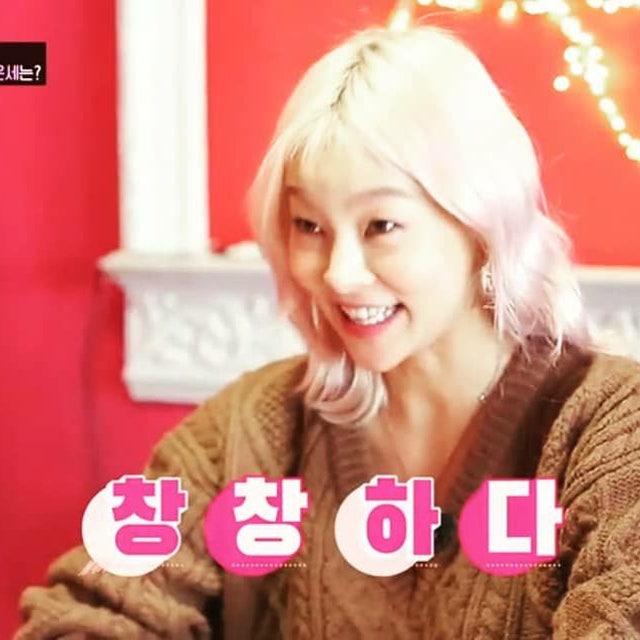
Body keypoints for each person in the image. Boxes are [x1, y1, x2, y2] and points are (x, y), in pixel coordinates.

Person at [17, 24, 640, 640]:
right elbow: (82, 616)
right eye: (308, 225)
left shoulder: (611, 432)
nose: (339, 274)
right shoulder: (253, 432)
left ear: (480, 223)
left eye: (381, 226)